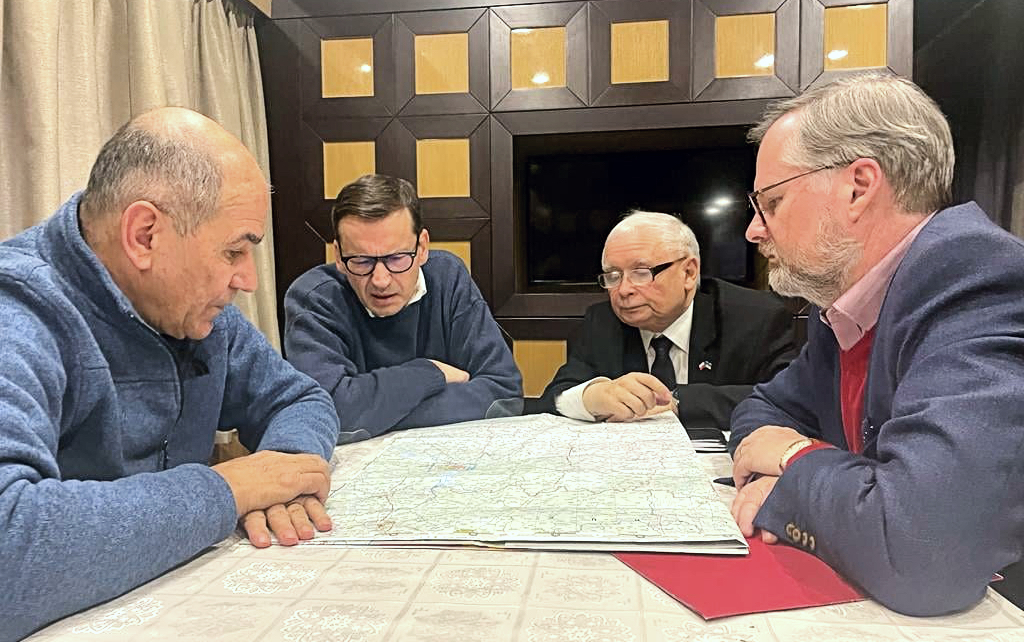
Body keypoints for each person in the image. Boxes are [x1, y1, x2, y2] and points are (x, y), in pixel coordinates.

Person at [0, 107, 341, 641]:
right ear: (144, 235)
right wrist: (228, 489)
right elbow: (9, 549)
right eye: (234, 250)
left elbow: (298, 398)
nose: (248, 280)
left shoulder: (199, 312)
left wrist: (286, 473)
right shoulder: (17, 313)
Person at [728, 73, 1024, 616]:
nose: (754, 229)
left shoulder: (975, 277)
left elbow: (926, 551)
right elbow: (763, 409)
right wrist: (834, 484)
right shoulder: (846, 305)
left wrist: (794, 462)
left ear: (859, 187)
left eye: (771, 201)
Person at [284, 173, 522, 442]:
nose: (380, 280)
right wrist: (428, 373)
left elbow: (503, 395)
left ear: (422, 247)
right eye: (361, 261)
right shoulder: (314, 298)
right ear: (338, 256)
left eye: (397, 258)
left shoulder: (447, 277)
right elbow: (327, 413)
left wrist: (374, 411)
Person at [536, 210, 797, 429]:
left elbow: (791, 400)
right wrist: (590, 396)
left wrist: (676, 401)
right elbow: (554, 398)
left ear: (689, 273)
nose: (623, 290)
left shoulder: (755, 318)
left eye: (641, 273)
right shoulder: (602, 322)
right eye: (613, 275)